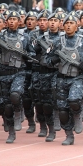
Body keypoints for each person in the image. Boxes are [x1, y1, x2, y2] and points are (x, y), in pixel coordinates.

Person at [46, 14, 83, 145]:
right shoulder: (57, 41)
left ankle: (77, 115)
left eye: (71, 23)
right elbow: (46, 59)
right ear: (63, 25)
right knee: (62, 109)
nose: (69, 25)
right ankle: (69, 135)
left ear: (77, 26)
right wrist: (53, 61)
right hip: (61, 78)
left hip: (77, 78)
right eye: (66, 23)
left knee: (74, 100)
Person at [0, 11, 35, 143]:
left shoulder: (24, 37)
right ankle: (11, 132)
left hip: (18, 72)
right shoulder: (1, 36)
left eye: (15, 19)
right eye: (10, 19)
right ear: (6, 22)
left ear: (19, 22)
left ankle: (19, 110)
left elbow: (32, 53)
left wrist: (25, 54)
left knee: (15, 95)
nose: (12, 21)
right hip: (3, 73)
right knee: (6, 106)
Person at [31, 13, 62, 142]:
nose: (53, 22)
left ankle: (57, 123)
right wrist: (35, 50)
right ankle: (46, 126)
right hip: (42, 73)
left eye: (56, 20)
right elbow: (31, 54)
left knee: (55, 97)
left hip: (58, 73)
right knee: (42, 102)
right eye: (51, 20)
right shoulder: (40, 38)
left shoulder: (63, 38)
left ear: (60, 23)